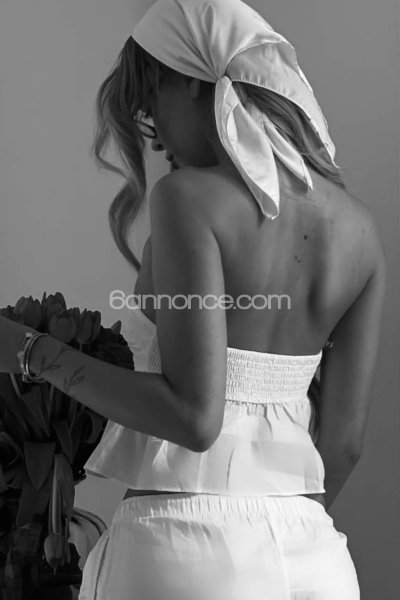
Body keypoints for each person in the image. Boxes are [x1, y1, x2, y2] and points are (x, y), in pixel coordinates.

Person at [0, 0, 386, 598]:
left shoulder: (187, 199)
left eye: (149, 100)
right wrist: (274, 529)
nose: (151, 132)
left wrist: (31, 351)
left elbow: (193, 417)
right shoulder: (360, 230)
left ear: (189, 80)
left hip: (185, 552)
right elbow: (344, 444)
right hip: (316, 558)